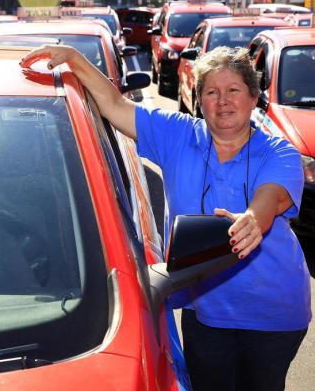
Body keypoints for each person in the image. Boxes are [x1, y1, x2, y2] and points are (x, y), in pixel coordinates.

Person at [21, 45, 311, 391]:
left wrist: (252, 219)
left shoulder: (279, 152)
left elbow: (272, 196)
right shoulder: (178, 135)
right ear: (199, 99)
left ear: (253, 97)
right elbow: (114, 105)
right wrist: (74, 58)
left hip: (274, 313)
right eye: (211, 92)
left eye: (233, 90)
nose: (223, 101)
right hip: (206, 312)